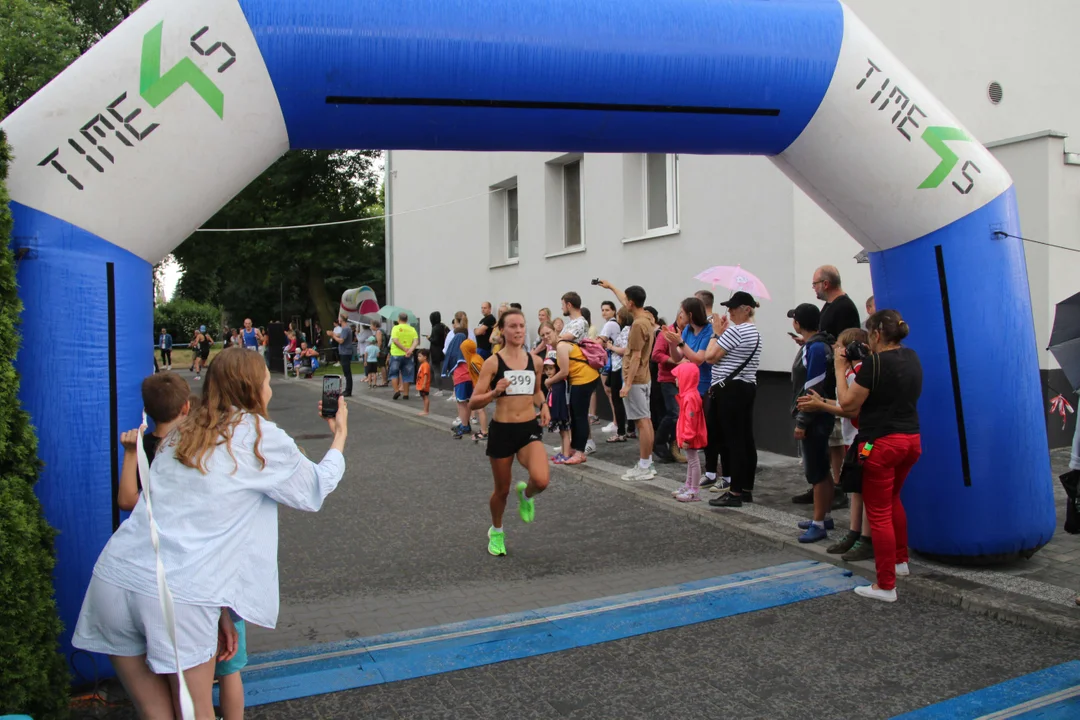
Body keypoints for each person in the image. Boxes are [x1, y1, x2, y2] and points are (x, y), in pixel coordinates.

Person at [72, 348, 348, 717]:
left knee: (156, 712)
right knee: (196, 711)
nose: (270, 388)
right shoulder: (258, 435)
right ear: (252, 386)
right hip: (178, 597)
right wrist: (340, 434)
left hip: (115, 578)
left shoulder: (181, 432)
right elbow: (315, 487)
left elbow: (186, 523)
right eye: (266, 380)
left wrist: (219, 613)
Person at [834, 310, 922, 603]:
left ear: (874, 335)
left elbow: (848, 404)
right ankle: (900, 562)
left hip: (880, 444)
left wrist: (839, 367)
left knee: (879, 512)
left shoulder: (874, 363)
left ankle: (886, 585)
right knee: (893, 498)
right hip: (911, 440)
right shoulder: (912, 358)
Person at [470, 309, 551, 556]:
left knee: (541, 480)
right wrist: (495, 393)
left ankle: (526, 496)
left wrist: (544, 405)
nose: (518, 330)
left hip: (528, 428)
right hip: (502, 431)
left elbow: (536, 391)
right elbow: (474, 402)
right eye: (512, 326)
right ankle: (496, 531)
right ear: (502, 331)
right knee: (502, 490)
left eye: (521, 326)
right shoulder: (493, 363)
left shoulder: (535, 361)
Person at [798, 328, 872, 557]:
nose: (835, 350)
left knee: (865, 486)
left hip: (864, 441)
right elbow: (843, 401)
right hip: (856, 440)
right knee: (856, 487)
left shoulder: (855, 373)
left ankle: (865, 538)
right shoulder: (856, 372)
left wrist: (821, 405)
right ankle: (854, 532)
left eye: (839, 346)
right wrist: (824, 400)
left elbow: (849, 408)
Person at [795, 265, 861, 508]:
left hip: (837, 382)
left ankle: (837, 487)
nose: (813, 288)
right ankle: (826, 485)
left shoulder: (843, 307)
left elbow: (845, 343)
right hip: (831, 377)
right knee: (830, 442)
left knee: (834, 438)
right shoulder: (830, 307)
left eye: (815, 283)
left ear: (826, 283)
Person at [705, 291, 762, 508]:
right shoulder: (754, 332)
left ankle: (735, 492)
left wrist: (716, 334)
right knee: (746, 439)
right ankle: (746, 489)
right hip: (746, 386)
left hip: (728, 389)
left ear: (746, 309)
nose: (729, 311)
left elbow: (709, 357)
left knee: (732, 441)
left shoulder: (736, 331)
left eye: (733, 308)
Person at [597, 280, 657, 481]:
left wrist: (628, 384)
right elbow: (626, 298)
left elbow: (637, 355)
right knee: (645, 420)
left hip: (636, 380)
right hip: (643, 378)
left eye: (626, 302)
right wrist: (610, 287)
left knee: (642, 422)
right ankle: (646, 463)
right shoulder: (647, 316)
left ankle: (645, 466)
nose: (624, 304)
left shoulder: (638, 325)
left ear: (631, 304)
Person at [788, 303, 837, 543]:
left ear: (798, 323)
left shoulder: (815, 348)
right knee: (822, 468)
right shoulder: (819, 344)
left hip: (815, 416)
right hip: (820, 414)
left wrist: (802, 421)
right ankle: (824, 515)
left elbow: (812, 387)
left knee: (816, 471)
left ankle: (819, 523)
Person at [117, 373, 193, 511]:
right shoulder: (197, 443)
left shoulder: (140, 447)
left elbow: (127, 501)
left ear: (146, 411)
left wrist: (130, 452)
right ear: (186, 407)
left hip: (155, 528)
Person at [667, 298, 716, 481]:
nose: (680, 314)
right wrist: (673, 342)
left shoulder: (708, 331)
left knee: (705, 429)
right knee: (690, 426)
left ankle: (709, 471)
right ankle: (699, 473)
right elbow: (678, 357)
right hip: (688, 386)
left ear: (690, 314)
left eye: (683, 311)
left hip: (704, 386)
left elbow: (698, 359)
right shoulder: (687, 330)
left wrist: (680, 343)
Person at [539, 321, 599, 465]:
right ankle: (573, 449)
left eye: (548, 333)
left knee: (579, 416)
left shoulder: (561, 346)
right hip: (580, 380)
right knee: (575, 415)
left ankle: (580, 452)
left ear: (555, 331)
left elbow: (564, 372)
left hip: (584, 379)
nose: (546, 336)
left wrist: (549, 381)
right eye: (543, 335)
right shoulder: (558, 346)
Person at [671, 363, 708, 503]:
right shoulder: (689, 395)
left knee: (693, 462)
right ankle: (689, 486)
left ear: (685, 378)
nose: (675, 380)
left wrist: (686, 437)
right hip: (689, 436)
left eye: (678, 377)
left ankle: (694, 490)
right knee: (691, 461)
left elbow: (690, 420)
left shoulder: (689, 397)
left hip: (690, 437)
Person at [651, 310, 684, 464]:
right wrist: (674, 360)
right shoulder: (666, 332)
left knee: (681, 415)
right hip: (668, 378)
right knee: (673, 413)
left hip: (686, 379)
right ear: (679, 316)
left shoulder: (691, 332)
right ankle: (658, 442)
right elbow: (656, 355)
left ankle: (674, 445)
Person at [600, 307, 631, 444]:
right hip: (620, 367)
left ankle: (621, 432)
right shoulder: (628, 329)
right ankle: (629, 429)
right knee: (624, 401)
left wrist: (611, 347)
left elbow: (624, 350)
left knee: (618, 400)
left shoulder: (626, 330)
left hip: (619, 367)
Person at [598, 301, 622, 434]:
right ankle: (616, 421)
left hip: (610, 363)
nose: (604, 312)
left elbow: (600, 341)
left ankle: (616, 422)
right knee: (611, 393)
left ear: (614, 311)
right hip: (612, 361)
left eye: (607, 310)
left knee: (610, 393)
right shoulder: (613, 324)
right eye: (602, 310)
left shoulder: (610, 324)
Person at [544, 356, 572, 463]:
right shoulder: (553, 382)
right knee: (562, 433)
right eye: (546, 369)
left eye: (551, 368)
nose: (548, 371)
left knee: (565, 433)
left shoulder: (560, 383)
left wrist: (557, 414)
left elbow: (560, 400)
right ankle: (563, 452)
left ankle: (566, 454)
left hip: (561, 413)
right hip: (556, 412)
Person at [388, 313, 419, 400]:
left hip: (396, 354)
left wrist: (404, 349)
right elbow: (416, 341)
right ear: (407, 319)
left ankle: (396, 390)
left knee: (394, 373)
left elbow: (395, 340)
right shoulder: (412, 329)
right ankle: (406, 394)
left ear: (398, 319)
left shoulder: (395, 328)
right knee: (407, 374)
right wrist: (410, 350)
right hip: (408, 355)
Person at [327, 319, 355, 396]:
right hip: (344, 352)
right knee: (346, 372)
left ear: (341, 320)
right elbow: (340, 336)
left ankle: (348, 390)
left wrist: (333, 335)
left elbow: (341, 341)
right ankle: (347, 389)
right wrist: (333, 334)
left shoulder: (346, 329)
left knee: (347, 372)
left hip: (345, 352)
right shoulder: (345, 329)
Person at [427, 311, 449, 393]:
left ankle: (440, 389)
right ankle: (426, 386)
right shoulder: (443, 326)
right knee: (430, 369)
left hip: (435, 352)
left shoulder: (435, 328)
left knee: (436, 370)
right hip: (443, 350)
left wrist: (429, 338)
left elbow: (435, 340)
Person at [416, 348, 432, 416]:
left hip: (423, 385)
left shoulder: (425, 365)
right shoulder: (423, 364)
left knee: (425, 397)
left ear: (425, 357)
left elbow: (425, 375)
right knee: (424, 397)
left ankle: (426, 411)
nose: (418, 358)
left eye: (420, 356)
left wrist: (424, 384)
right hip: (421, 384)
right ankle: (425, 410)